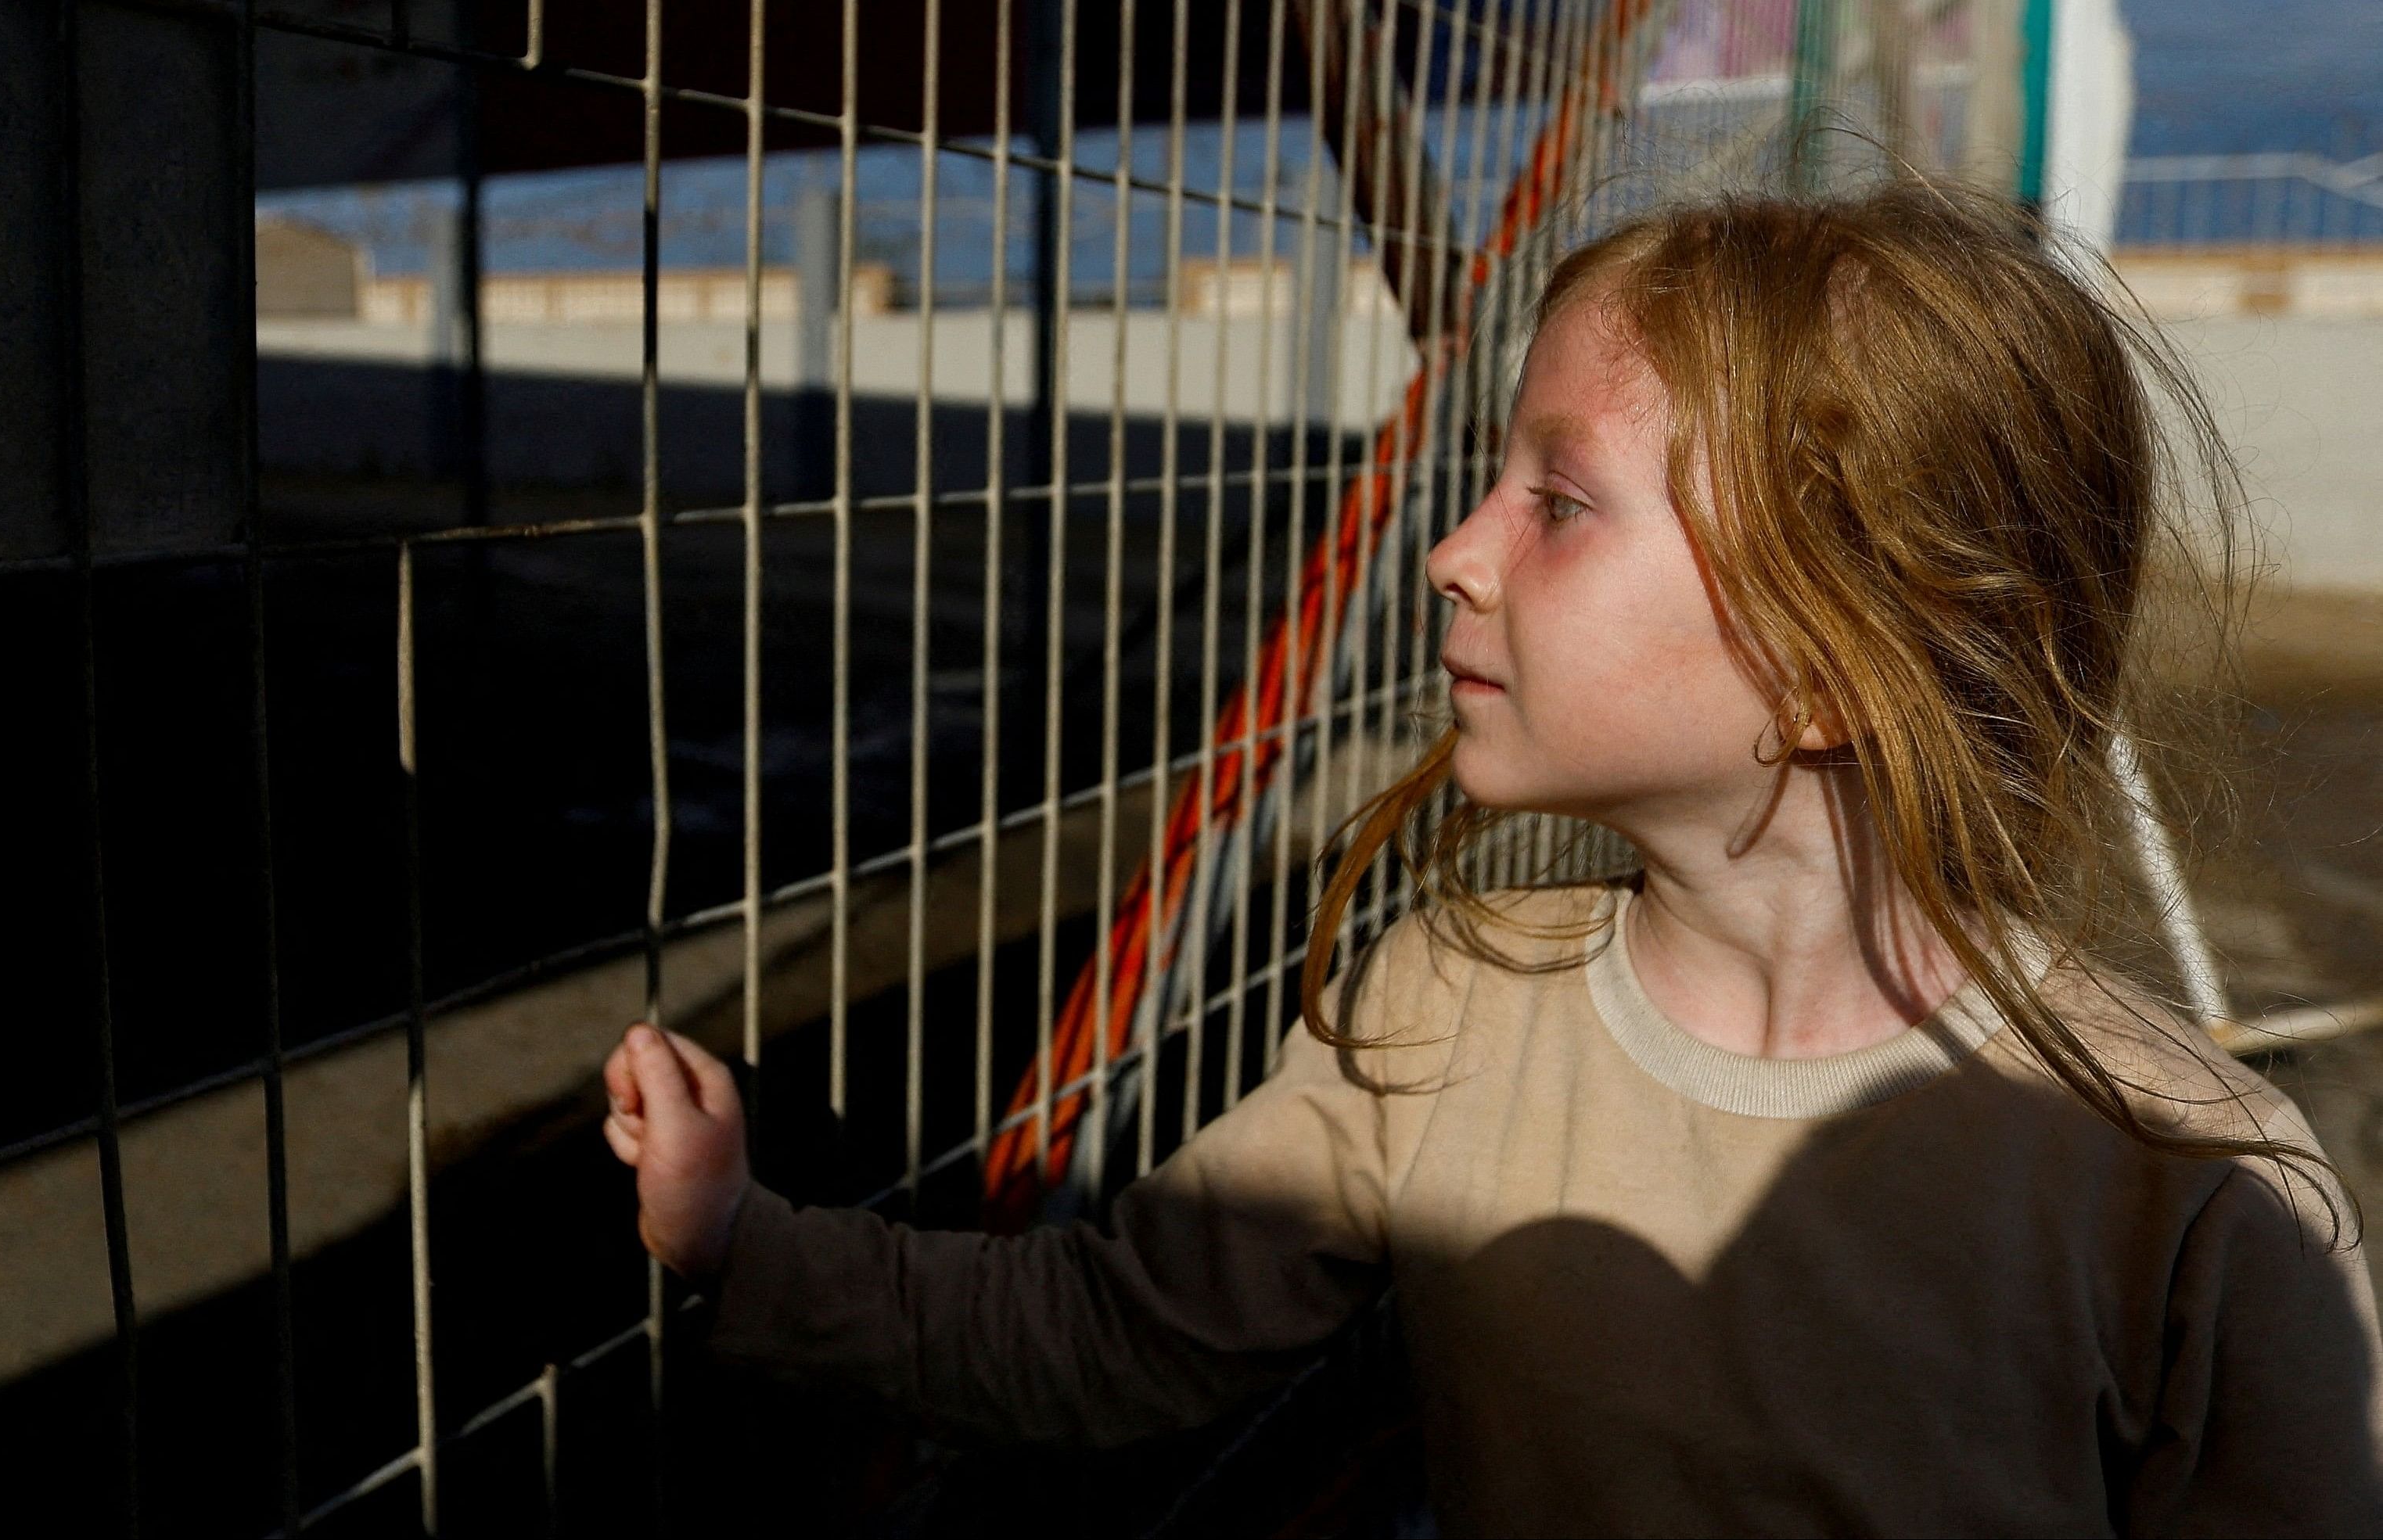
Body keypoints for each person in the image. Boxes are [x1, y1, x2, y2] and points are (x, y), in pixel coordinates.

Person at [601, 182, 2383, 1534]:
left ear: (1842, 652)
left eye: (1556, 497)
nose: (1450, 552)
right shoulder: (1453, 1005)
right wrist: (747, 1244)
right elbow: (1107, 1329)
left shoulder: (2198, 1195)